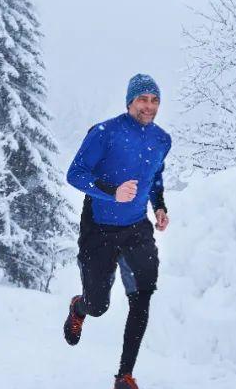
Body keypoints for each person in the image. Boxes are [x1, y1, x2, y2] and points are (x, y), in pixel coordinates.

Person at [63, 73, 172, 389]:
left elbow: (155, 178)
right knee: (99, 306)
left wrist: (160, 206)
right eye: (142, 99)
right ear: (129, 101)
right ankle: (79, 307)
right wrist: (112, 191)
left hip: (137, 227)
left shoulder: (161, 139)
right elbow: (75, 174)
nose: (148, 107)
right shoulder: (104, 133)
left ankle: (124, 375)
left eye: (154, 100)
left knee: (142, 297)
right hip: (99, 226)